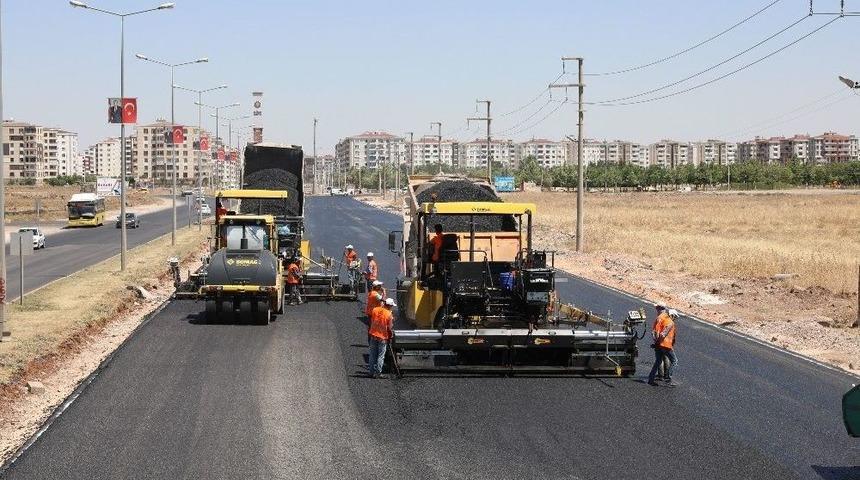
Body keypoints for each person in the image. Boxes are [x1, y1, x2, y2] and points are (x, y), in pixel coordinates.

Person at [648, 304, 678, 387]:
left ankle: (651, 379)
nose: (675, 319)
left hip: (659, 345)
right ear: (672, 315)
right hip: (665, 345)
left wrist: (656, 343)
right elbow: (662, 334)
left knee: (658, 361)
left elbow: (654, 332)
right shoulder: (670, 322)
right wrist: (660, 342)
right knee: (674, 361)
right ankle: (668, 378)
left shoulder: (659, 319)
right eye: (675, 317)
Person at [367, 298, 396, 378]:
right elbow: (390, 328)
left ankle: (371, 372)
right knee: (381, 356)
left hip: (373, 335)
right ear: (389, 306)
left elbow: (372, 320)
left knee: (372, 354)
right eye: (391, 306)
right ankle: (378, 373)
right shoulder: (389, 314)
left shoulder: (375, 310)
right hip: (382, 337)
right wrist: (391, 336)